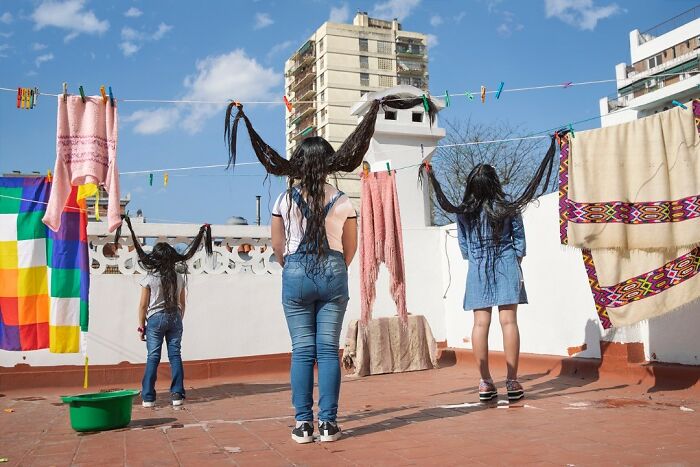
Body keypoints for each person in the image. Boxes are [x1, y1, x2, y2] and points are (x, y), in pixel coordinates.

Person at [271, 137, 358, 444]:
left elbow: (278, 247)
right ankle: (328, 425)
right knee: (327, 350)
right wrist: (336, 268)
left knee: (303, 350)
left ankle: (303, 425)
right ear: (328, 163)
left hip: (296, 273)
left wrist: (292, 266)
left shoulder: (284, 200)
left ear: (299, 162)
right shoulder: (344, 201)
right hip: (334, 272)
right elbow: (351, 249)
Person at [455, 164, 527, 403]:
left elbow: (464, 248)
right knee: (509, 322)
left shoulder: (464, 211)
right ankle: (512, 381)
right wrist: (514, 263)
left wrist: (477, 257)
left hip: (478, 265)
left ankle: (485, 383)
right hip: (506, 263)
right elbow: (519, 242)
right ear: (495, 182)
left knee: (479, 324)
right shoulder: (507, 206)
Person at [126, 218, 212, 408]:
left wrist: (142, 327)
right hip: (175, 318)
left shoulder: (149, 278)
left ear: (155, 258)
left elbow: (142, 306)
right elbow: (182, 303)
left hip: (155, 319)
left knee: (153, 357)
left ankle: (148, 397)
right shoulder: (179, 277)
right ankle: (177, 395)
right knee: (175, 355)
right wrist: (178, 319)